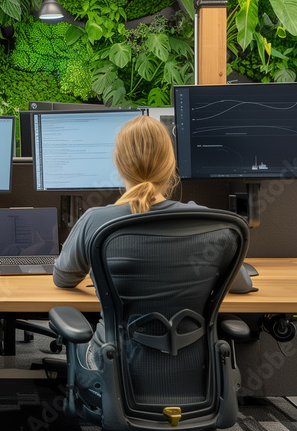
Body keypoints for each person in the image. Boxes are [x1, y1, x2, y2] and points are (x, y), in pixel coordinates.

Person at [52, 114, 203, 392]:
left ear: (118, 164)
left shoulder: (96, 221)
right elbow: (239, 281)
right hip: (196, 368)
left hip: (114, 365)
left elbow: (62, 278)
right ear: (171, 166)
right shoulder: (206, 223)